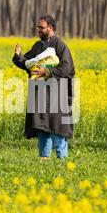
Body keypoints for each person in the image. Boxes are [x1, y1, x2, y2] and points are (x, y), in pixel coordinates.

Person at [12, 15, 76, 160]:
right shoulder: (38, 46)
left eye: (41, 27)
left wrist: (46, 71)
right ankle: (44, 161)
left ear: (50, 28)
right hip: (40, 95)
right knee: (42, 129)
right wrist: (19, 57)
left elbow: (67, 67)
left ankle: (62, 162)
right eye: (38, 27)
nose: (38, 30)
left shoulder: (60, 45)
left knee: (57, 130)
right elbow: (28, 63)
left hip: (56, 95)